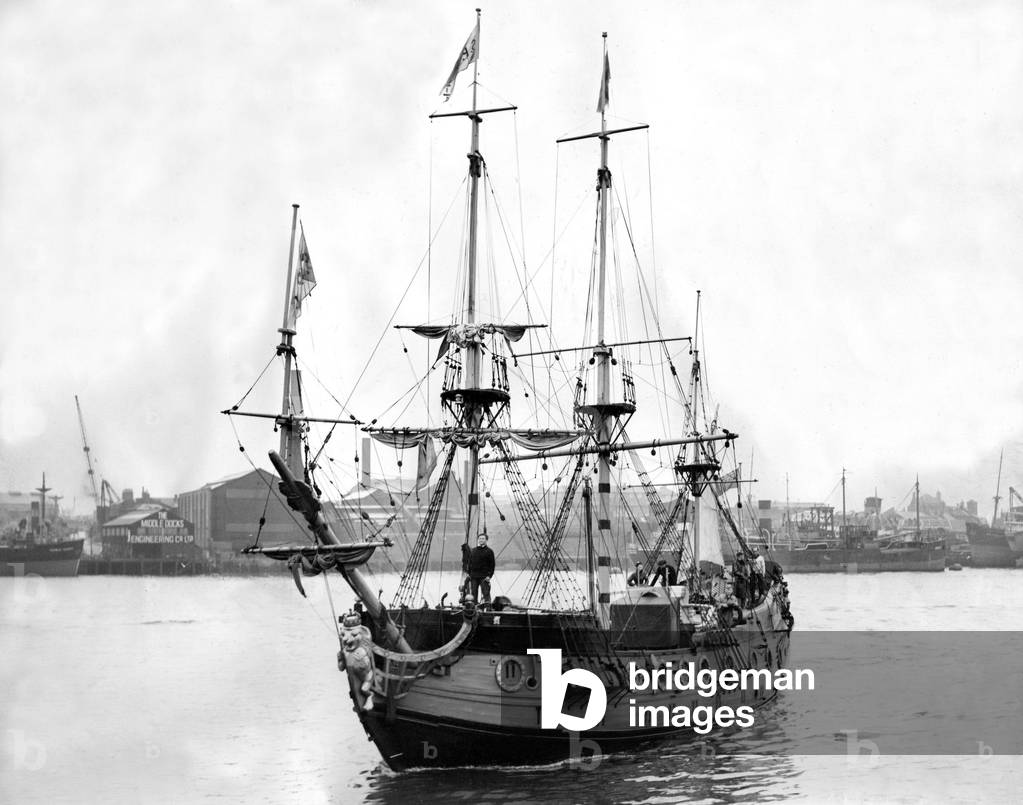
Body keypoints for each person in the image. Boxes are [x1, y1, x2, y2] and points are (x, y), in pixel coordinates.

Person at [461, 534, 495, 606]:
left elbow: (492, 565)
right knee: (473, 593)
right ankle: (474, 608)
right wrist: (469, 573)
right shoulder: (473, 551)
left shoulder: (489, 551)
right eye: (480, 539)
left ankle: (488, 608)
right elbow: (470, 563)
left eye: (483, 539)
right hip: (474, 576)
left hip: (484, 576)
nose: (481, 540)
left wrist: (489, 576)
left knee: (486, 593)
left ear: (486, 540)